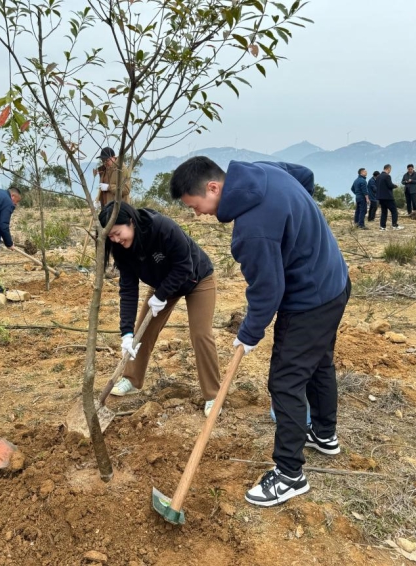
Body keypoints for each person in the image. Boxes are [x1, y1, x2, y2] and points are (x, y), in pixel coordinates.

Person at [170, 157, 351, 507]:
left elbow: (269, 291)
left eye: (195, 207)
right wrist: (297, 224)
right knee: (319, 361)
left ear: (213, 187)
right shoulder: (259, 170)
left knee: (286, 381)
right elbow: (306, 174)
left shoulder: (252, 229)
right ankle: (325, 435)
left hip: (310, 299)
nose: (198, 215)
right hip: (335, 280)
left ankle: (289, 475)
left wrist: (248, 333)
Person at [99, 202, 222, 416]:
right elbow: (128, 290)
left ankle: (213, 395)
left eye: (118, 233)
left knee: (201, 334)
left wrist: (160, 295)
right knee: (142, 332)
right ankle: (131, 378)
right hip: (162, 286)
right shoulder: (121, 250)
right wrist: (126, 333)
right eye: (111, 237)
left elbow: (185, 265)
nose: (117, 240)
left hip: (197, 278)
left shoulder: (161, 227)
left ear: (130, 222)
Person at [377, 164, 403, 231]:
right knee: (394, 211)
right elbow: (389, 185)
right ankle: (394, 225)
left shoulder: (378, 176)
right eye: (390, 170)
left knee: (384, 212)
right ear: (388, 169)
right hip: (388, 197)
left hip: (380, 197)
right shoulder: (387, 176)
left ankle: (382, 227)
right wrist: (395, 186)